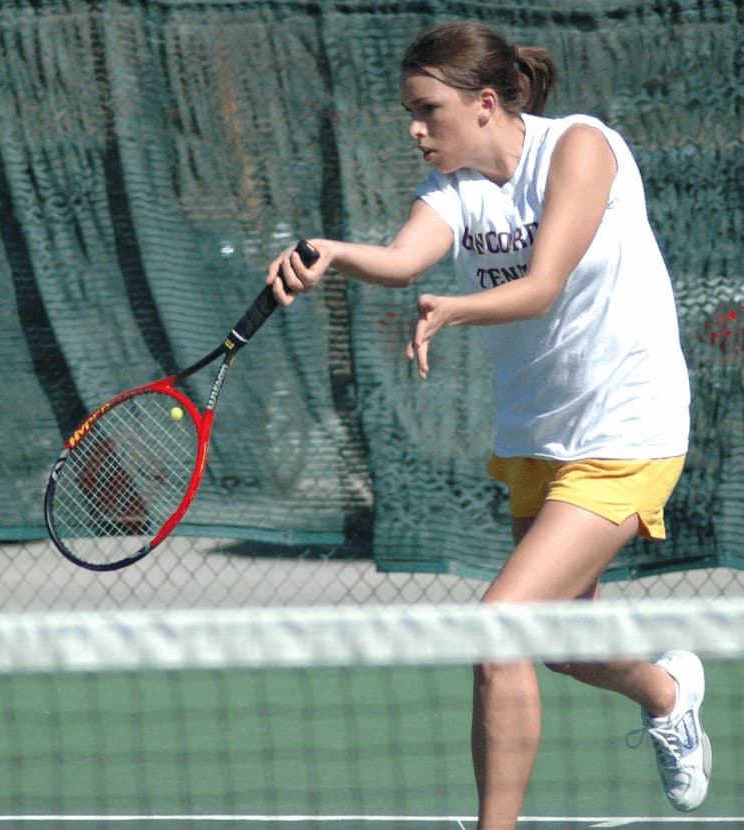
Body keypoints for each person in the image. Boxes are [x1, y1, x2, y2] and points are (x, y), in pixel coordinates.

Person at [266, 20, 709, 829]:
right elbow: (403, 260)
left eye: (428, 109)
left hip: (628, 426)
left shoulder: (579, 148)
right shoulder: (454, 191)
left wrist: (456, 309)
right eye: (410, 110)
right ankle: (668, 691)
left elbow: (541, 284)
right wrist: (331, 251)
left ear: (487, 103)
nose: (414, 127)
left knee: (497, 629)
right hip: (538, 436)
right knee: (562, 644)